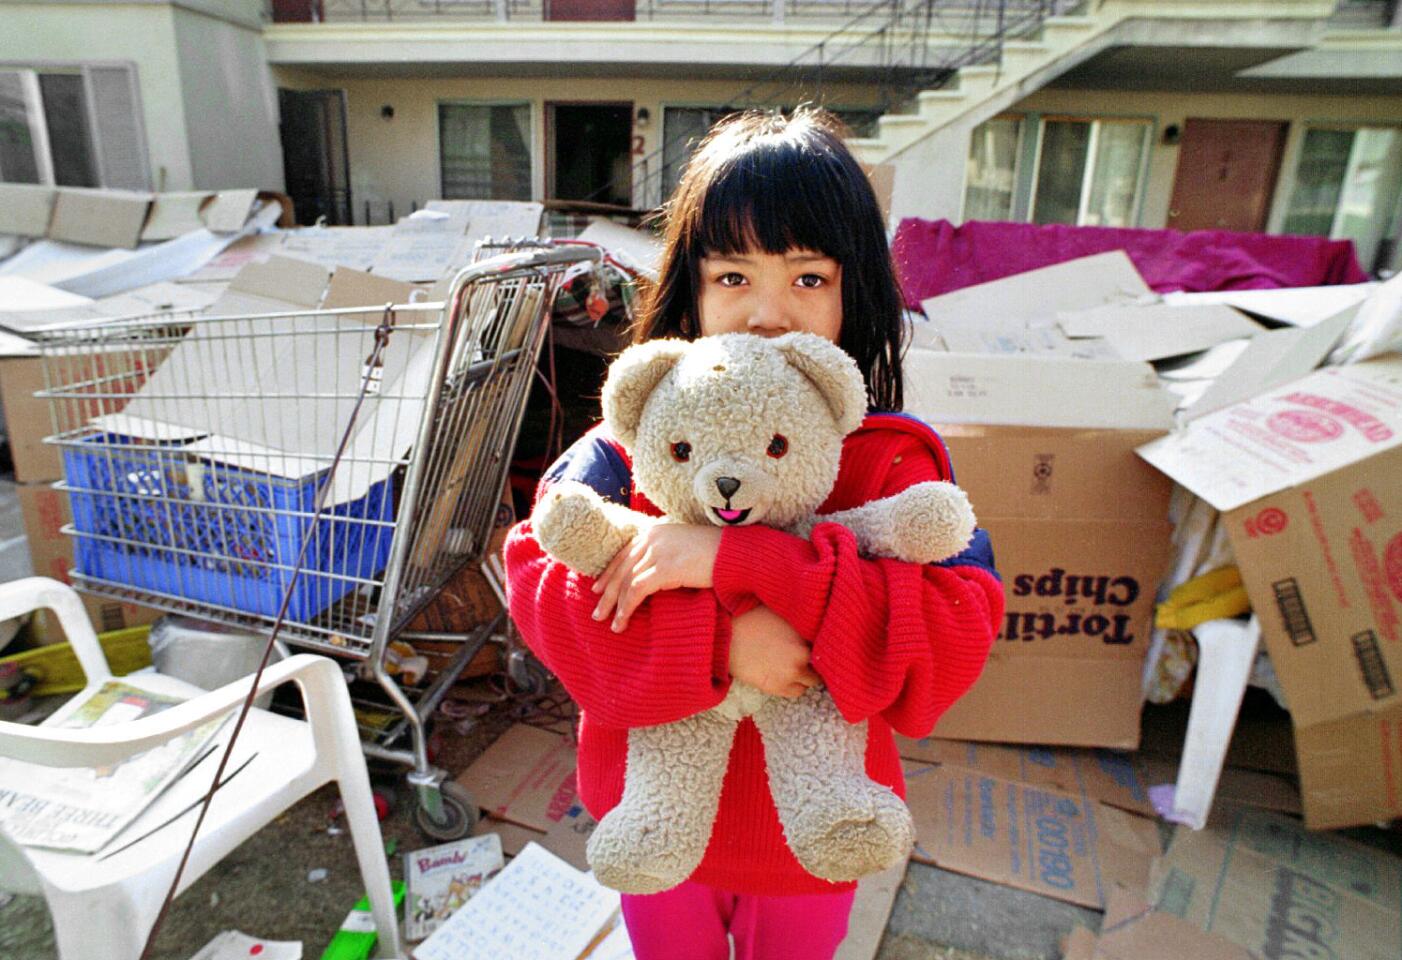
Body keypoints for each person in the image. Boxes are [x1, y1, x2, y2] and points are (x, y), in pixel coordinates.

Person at [504, 107, 1002, 960]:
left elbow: (954, 630)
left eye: (808, 277)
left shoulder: (893, 460)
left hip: (813, 838)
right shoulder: (630, 450)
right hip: (659, 832)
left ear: (858, 292)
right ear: (689, 289)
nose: (767, 315)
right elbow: (542, 590)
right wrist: (722, 642)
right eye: (733, 276)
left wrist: (742, 559)